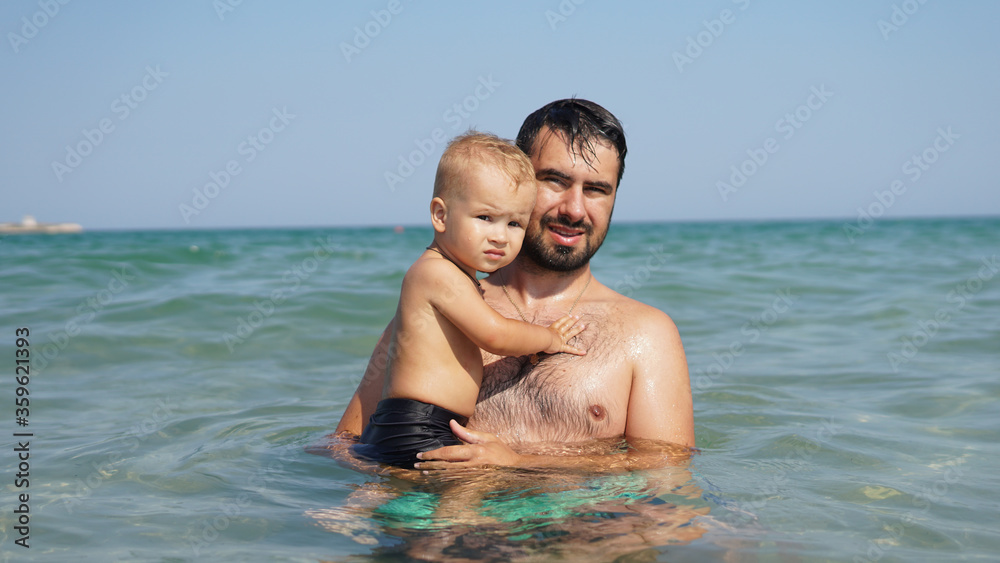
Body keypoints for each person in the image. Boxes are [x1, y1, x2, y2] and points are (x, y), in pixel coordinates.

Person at [336, 99, 694, 469]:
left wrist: (519, 462)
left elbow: (667, 469)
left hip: (581, 525)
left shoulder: (647, 334)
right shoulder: (436, 309)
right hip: (441, 523)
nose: (574, 209)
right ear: (516, 181)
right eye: (555, 180)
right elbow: (345, 445)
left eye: (596, 190)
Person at [352, 132, 588, 469]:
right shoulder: (437, 274)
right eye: (485, 218)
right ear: (440, 215)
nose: (499, 235)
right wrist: (549, 338)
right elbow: (496, 335)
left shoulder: (456, 277)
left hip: (410, 426)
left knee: (408, 507)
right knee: (460, 509)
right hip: (418, 427)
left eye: (514, 223)